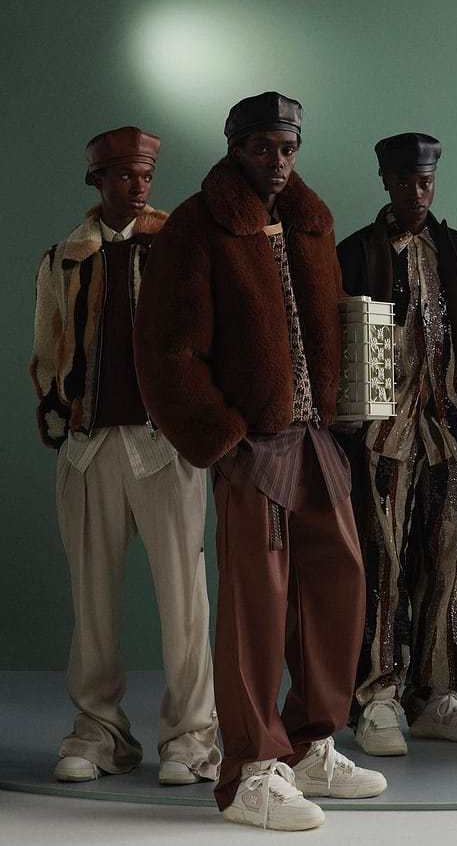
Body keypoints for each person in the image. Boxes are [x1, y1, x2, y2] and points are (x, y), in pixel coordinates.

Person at [133, 92, 386, 832]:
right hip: (251, 445)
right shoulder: (195, 226)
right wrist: (224, 438)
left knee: (340, 583)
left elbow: (332, 322)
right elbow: (165, 351)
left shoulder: (312, 221)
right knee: (256, 606)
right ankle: (250, 771)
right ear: (235, 147)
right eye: (261, 148)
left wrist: (347, 404)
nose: (277, 161)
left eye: (287, 148)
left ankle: (310, 745)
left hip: (315, 437)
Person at [30, 126, 220, 786]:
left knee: (185, 602)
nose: (137, 187)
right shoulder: (63, 259)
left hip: (164, 445)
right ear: (98, 180)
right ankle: (100, 731)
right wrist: (63, 420)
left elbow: (206, 339)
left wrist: (196, 422)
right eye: (122, 176)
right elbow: (47, 350)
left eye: (144, 175)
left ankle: (192, 738)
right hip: (88, 450)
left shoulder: (178, 247)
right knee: (93, 606)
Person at [337, 132, 457, 758]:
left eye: (424, 182)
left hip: (452, 431)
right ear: (387, 183)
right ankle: (377, 695)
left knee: (451, 562)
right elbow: (346, 343)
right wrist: (352, 423)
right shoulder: (359, 252)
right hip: (385, 433)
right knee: (382, 563)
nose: (416, 193)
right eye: (405, 182)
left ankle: (438, 695)